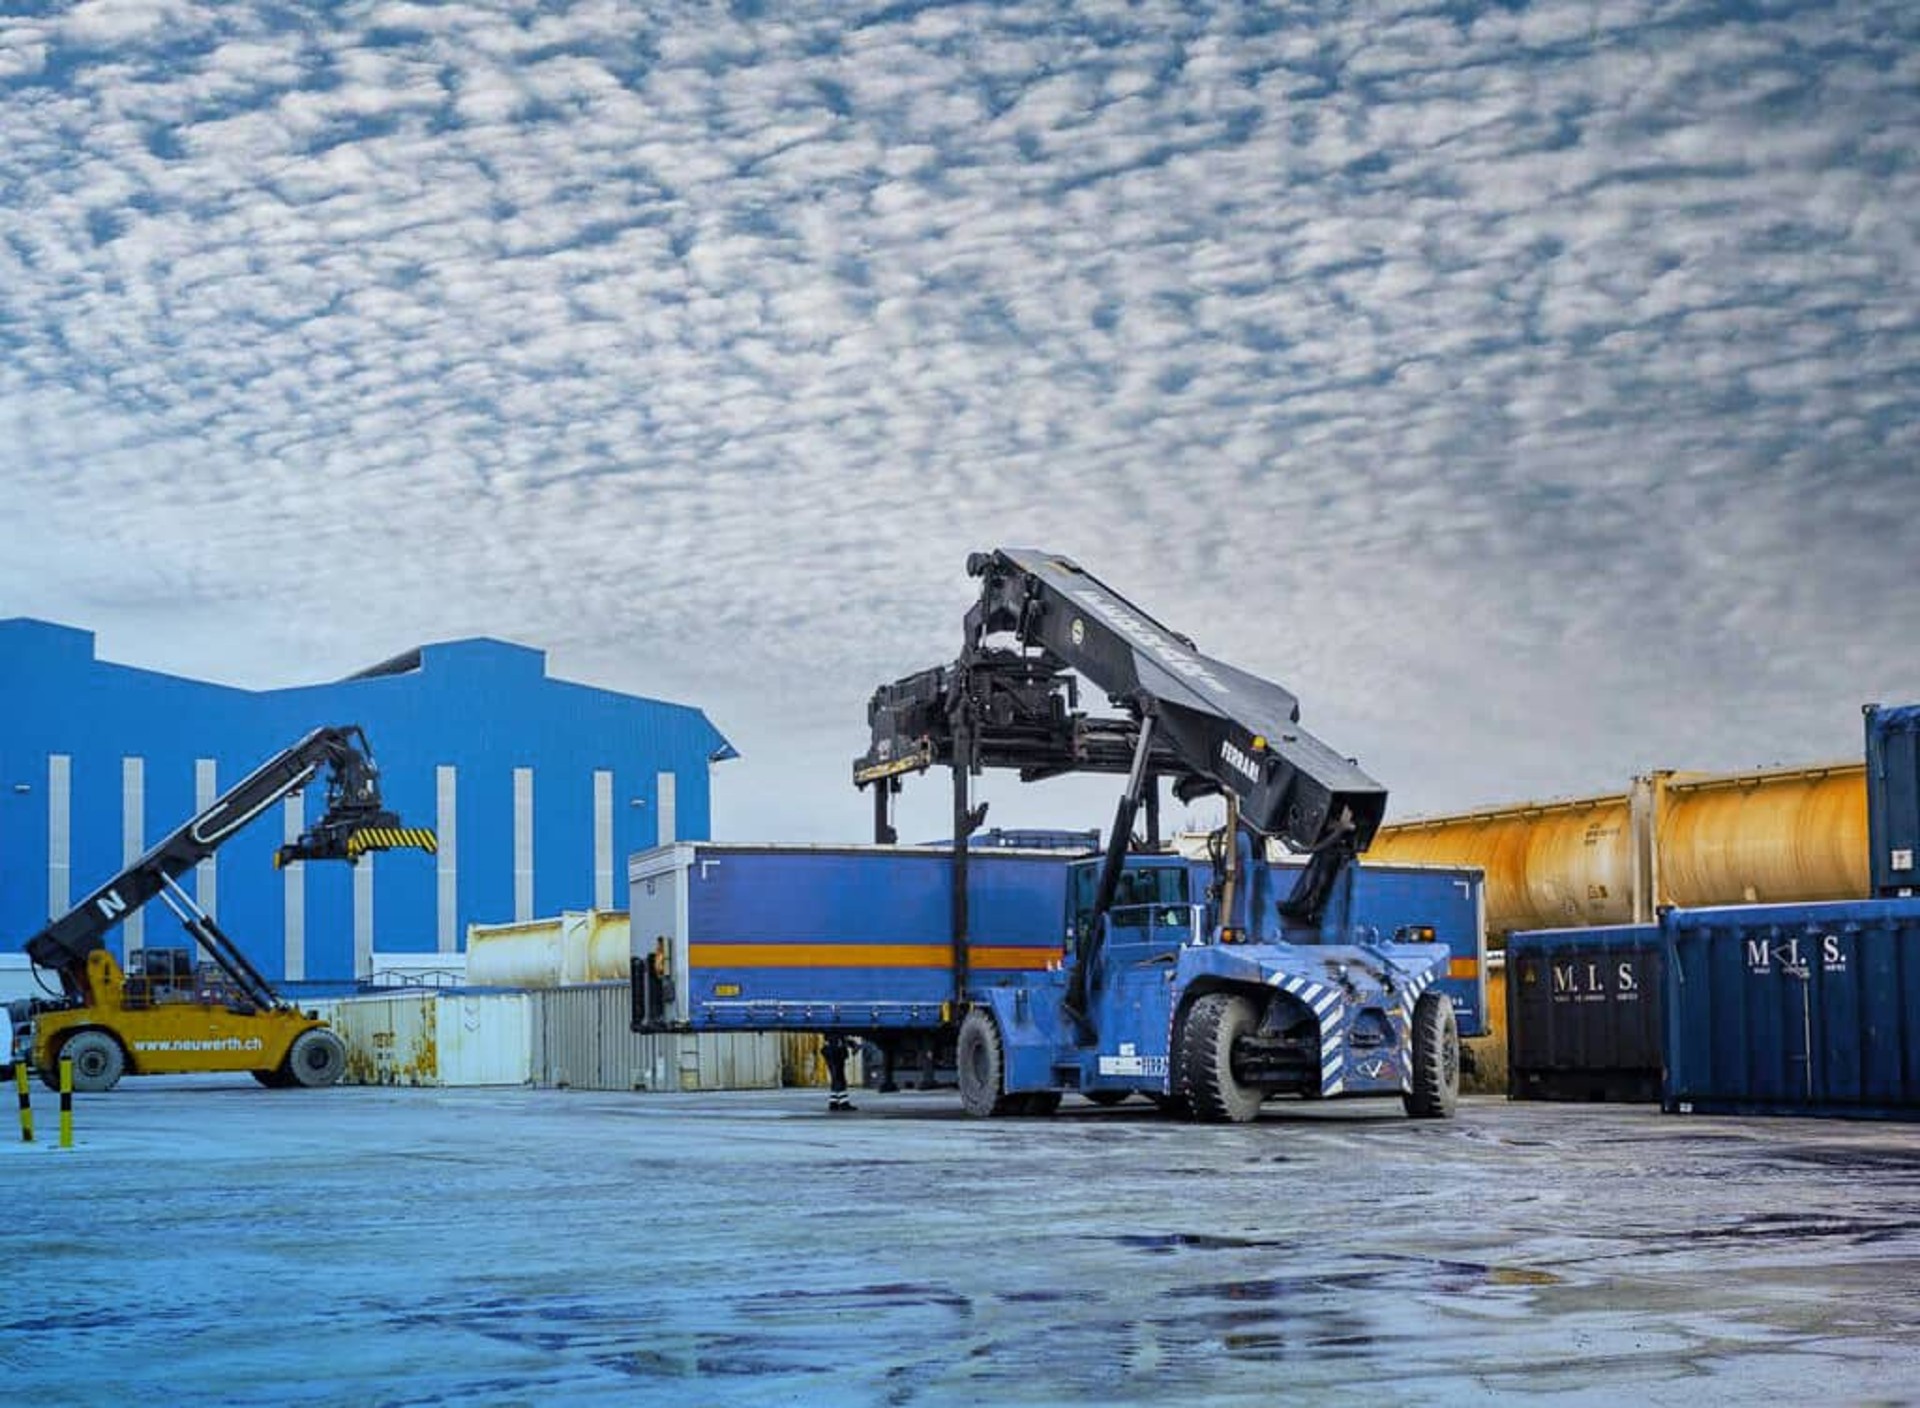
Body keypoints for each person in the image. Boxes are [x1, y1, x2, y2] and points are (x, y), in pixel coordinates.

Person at [822, 1034, 856, 1113]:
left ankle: (833, 1102)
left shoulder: (829, 1030)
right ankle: (844, 1103)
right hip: (836, 1052)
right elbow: (842, 1039)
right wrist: (852, 1044)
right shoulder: (837, 1031)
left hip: (830, 1051)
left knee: (835, 1078)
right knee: (839, 1078)